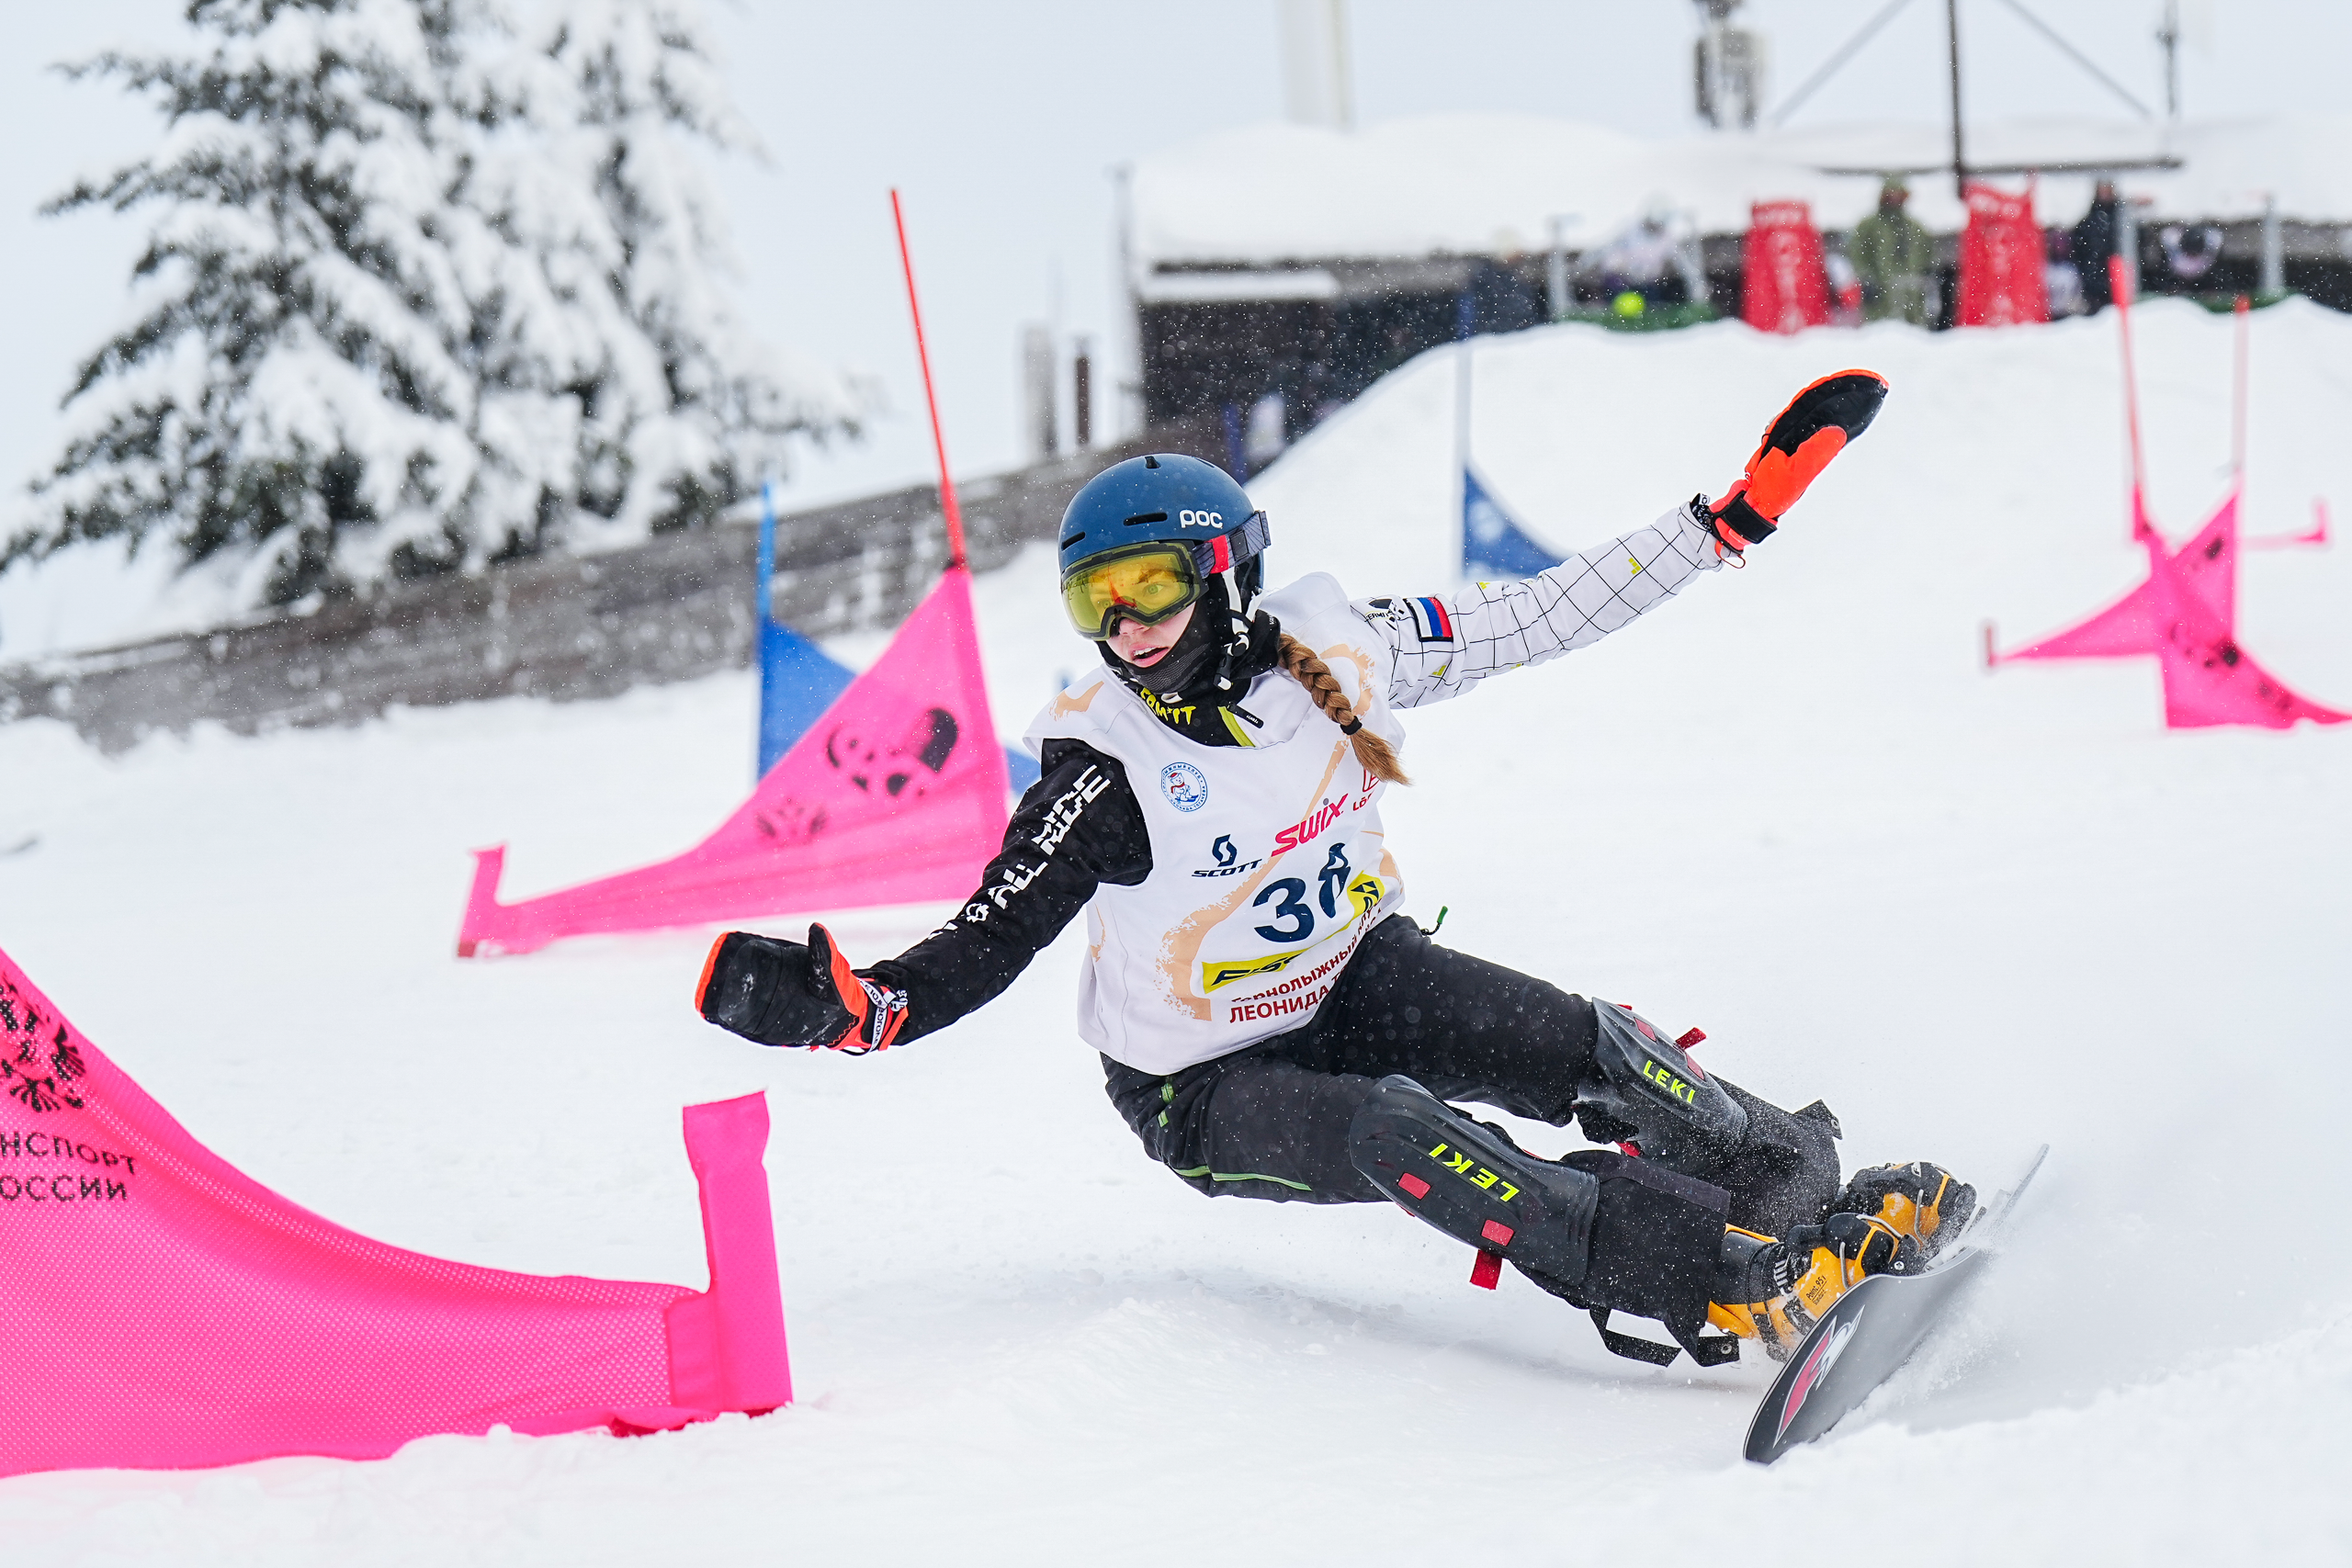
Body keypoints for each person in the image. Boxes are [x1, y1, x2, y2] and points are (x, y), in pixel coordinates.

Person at [694, 372, 1974, 1369]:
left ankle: (1794, 1187)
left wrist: (1727, 520)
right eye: (1098, 600)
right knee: (1410, 1133)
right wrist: (864, 1007)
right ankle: (1728, 1281)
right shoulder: (1103, 769)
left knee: (1593, 1048)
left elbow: (1531, 615)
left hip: (1355, 977)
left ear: (1222, 572)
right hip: (1203, 1084)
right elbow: (988, 936)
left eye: (1149, 586)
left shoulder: (1332, 651)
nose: (1127, 627)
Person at [1848, 176, 1935, 326]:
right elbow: (1856, 253)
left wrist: (1926, 275)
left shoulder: (1915, 227)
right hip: (1881, 296)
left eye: (1898, 196)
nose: (1894, 200)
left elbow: (1927, 256)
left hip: (1911, 300)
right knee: (1881, 331)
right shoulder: (1870, 226)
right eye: (1890, 195)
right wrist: (1866, 278)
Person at [2073, 181, 2122, 312]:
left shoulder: (2121, 219)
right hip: (2094, 278)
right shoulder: (2089, 222)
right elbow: (2079, 249)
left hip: (2116, 276)